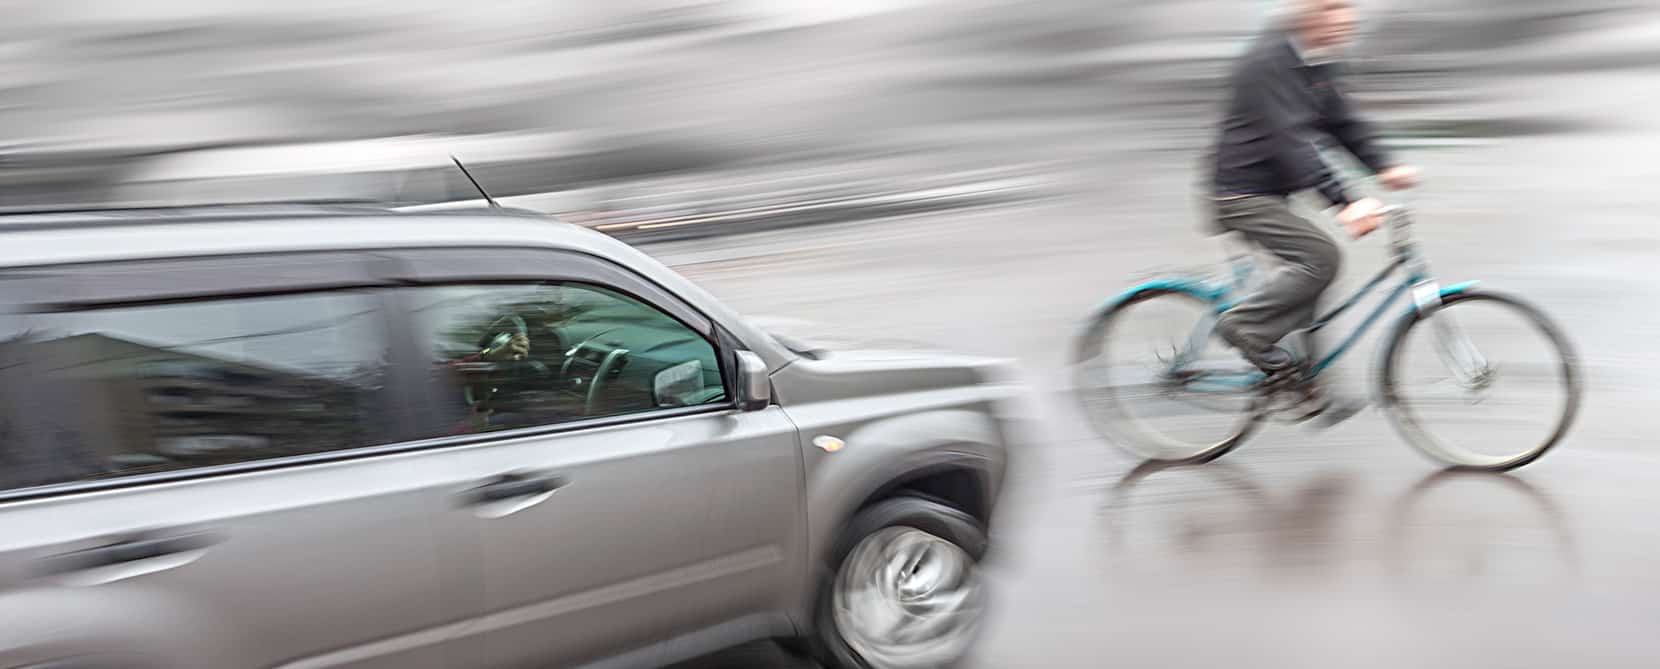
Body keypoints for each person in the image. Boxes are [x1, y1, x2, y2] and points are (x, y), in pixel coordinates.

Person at [1207, 0, 1418, 423]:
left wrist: (1384, 166)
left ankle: (1304, 387)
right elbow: (1290, 143)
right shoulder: (1269, 61)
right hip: (1240, 196)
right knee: (1321, 257)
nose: (1347, 16)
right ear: (1307, 13)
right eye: (1334, 7)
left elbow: (1342, 122)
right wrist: (1345, 201)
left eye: (1348, 6)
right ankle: (1244, 329)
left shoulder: (1314, 60)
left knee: (1310, 278)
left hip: (1271, 192)